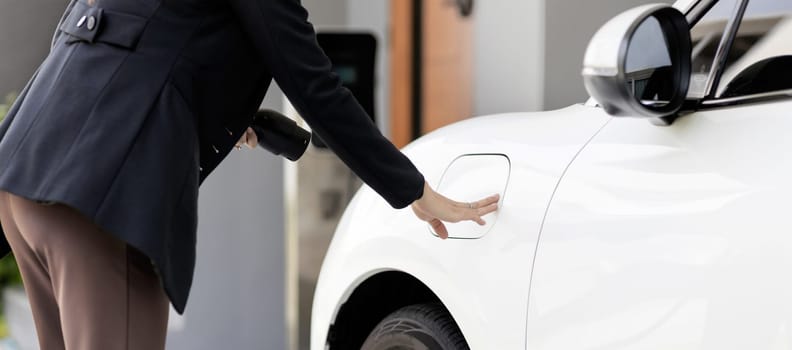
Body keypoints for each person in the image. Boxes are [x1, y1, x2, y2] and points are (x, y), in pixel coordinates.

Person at [0, 0, 499, 349]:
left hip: (28, 175)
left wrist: (242, 121)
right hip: (97, 200)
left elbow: (131, 45)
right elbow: (313, 84)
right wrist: (412, 189)